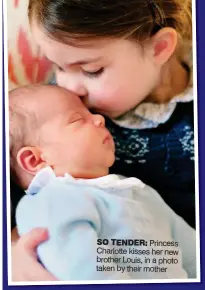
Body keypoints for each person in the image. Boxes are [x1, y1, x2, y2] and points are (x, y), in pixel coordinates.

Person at [11, 0, 195, 281]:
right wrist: (13, 255)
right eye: (57, 66)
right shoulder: (53, 109)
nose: (69, 87)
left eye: (91, 70)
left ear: (160, 47)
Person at [10, 84, 196, 281]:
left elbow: (190, 250)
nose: (99, 119)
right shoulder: (51, 201)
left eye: (91, 113)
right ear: (35, 160)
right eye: (78, 119)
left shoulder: (137, 190)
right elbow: (80, 267)